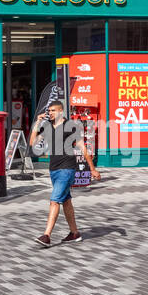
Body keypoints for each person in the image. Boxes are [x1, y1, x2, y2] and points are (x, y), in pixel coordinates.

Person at [30, 100, 98, 247]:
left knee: (54, 200)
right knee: (66, 201)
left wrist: (92, 168)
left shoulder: (70, 126)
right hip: (53, 169)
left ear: (61, 111)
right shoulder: (47, 126)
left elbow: (82, 148)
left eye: (53, 110)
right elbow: (32, 143)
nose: (50, 113)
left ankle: (46, 235)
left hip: (67, 169)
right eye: (49, 111)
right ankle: (74, 233)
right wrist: (37, 123)